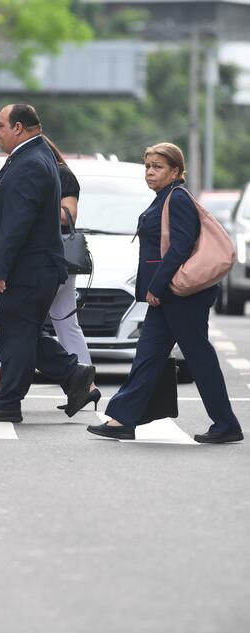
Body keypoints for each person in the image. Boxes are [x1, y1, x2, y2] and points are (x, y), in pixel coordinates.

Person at [88, 143, 243, 443]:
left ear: (175, 171)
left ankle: (226, 424)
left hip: (180, 295)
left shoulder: (177, 199)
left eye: (157, 167)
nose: (150, 172)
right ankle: (123, 419)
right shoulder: (164, 198)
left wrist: (158, 287)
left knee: (199, 358)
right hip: (168, 295)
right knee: (147, 356)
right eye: (147, 166)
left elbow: (180, 247)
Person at [0, 104, 95, 423]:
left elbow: (17, 223)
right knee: (23, 334)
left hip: (27, 269)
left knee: (18, 335)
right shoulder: (32, 157)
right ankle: (72, 375)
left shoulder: (31, 162)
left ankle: (8, 402)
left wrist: (1, 269)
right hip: (32, 268)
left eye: (0, 125)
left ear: (18, 128)